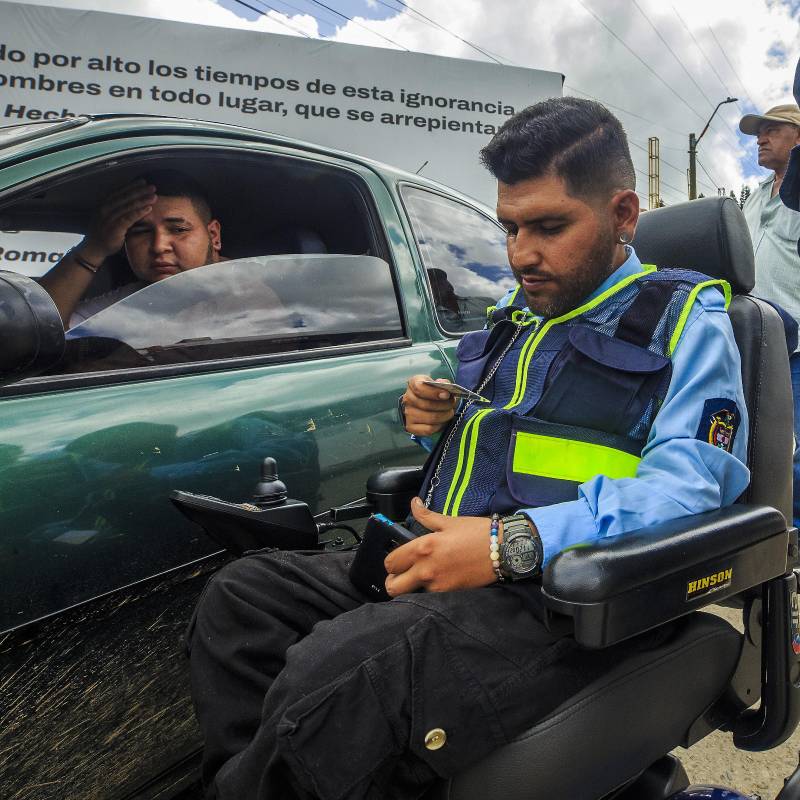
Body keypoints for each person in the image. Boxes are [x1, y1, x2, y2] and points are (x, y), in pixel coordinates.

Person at [187, 97, 750, 800]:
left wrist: (507, 545)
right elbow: (509, 439)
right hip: (447, 563)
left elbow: (692, 483)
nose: (521, 254)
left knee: (336, 671)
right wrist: (436, 417)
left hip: (561, 601)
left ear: (624, 215)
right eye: (510, 227)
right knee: (244, 598)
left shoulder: (681, 318)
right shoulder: (514, 318)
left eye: (549, 227)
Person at [39, 170, 224, 328]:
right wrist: (95, 247)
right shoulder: (138, 298)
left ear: (214, 236)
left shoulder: (248, 287)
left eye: (178, 230)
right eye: (141, 231)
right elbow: (40, 326)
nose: (159, 246)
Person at [739, 103, 800, 525]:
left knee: (792, 448)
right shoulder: (755, 193)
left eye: (771, 130)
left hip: (796, 344)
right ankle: (756, 529)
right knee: (751, 443)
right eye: (758, 132)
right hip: (751, 341)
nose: (760, 138)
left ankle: (789, 535)